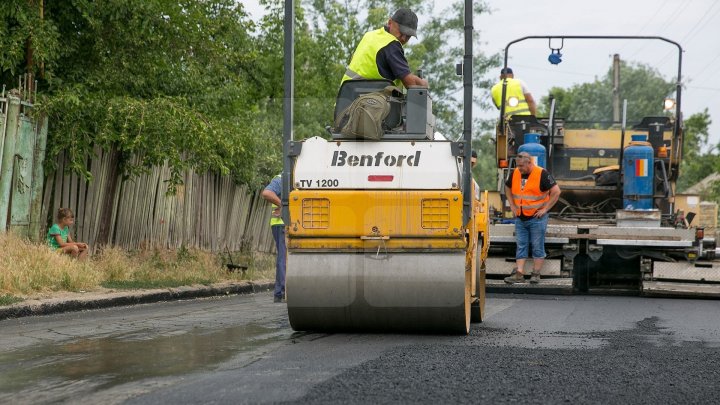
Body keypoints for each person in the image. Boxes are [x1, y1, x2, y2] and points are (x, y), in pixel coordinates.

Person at [503, 152, 561, 284]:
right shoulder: (516, 173)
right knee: (521, 245)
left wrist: (545, 209)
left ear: (529, 162)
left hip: (537, 218)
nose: (519, 168)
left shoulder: (542, 174)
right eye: (517, 165)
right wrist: (512, 204)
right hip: (521, 217)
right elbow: (507, 187)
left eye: (522, 166)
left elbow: (556, 192)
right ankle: (519, 273)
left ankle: (536, 274)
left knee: (537, 246)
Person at [341, 8, 428, 89]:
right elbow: (411, 84)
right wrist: (423, 83)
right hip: (367, 100)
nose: (404, 38)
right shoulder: (392, 45)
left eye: (408, 36)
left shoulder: (370, 35)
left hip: (345, 98)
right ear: (390, 22)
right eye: (401, 32)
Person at [261, 175, 286, 303]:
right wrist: (283, 206)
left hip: (284, 223)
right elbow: (267, 193)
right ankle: (282, 291)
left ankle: (279, 292)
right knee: (285, 256)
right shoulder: (282, 178)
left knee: (284, 256)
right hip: (281, 223)